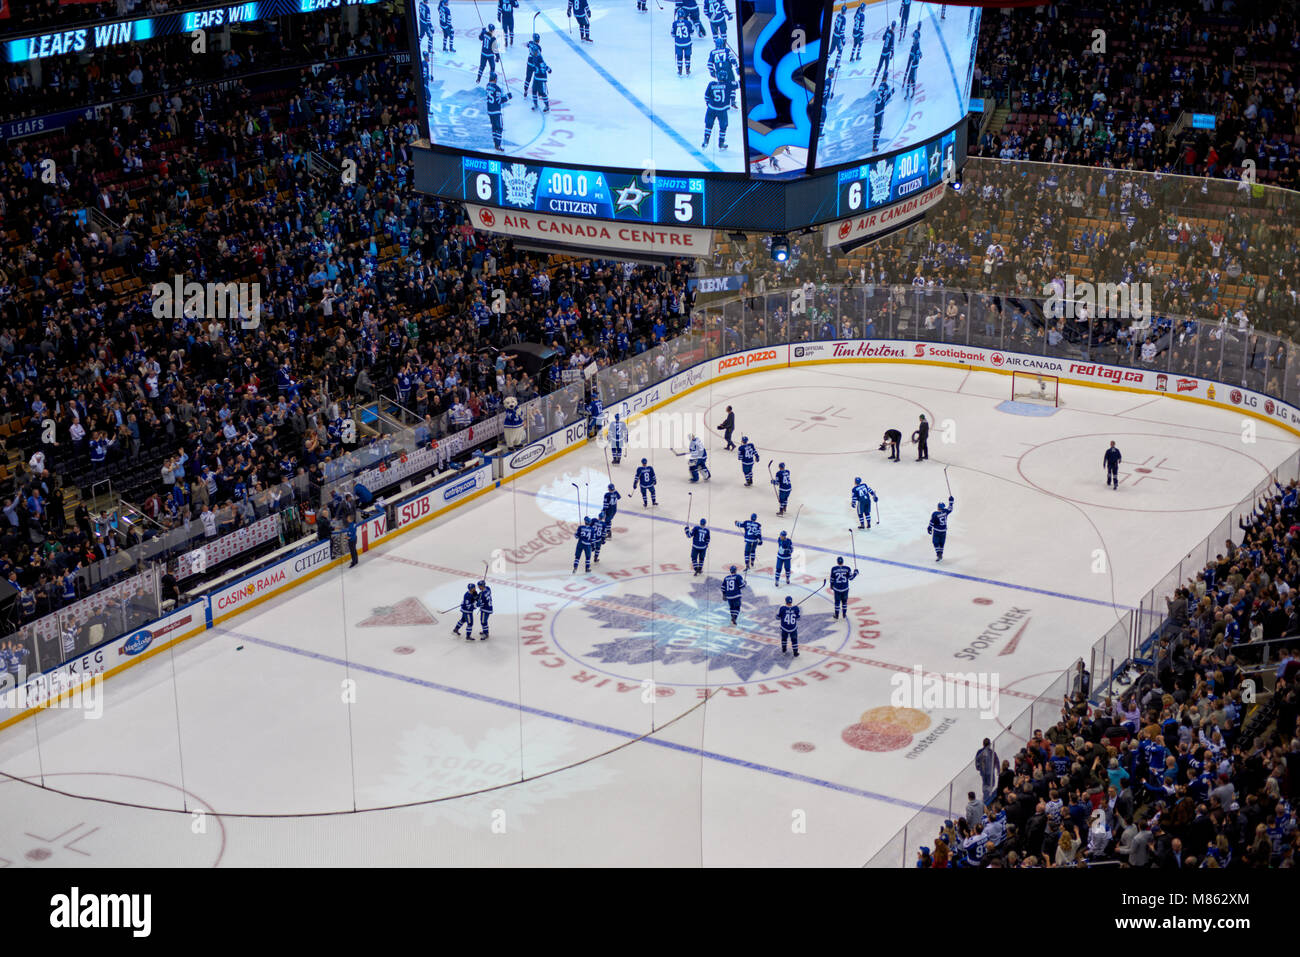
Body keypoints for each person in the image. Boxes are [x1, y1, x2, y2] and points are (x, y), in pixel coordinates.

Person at [927, 495, 954, 561]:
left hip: (937, 531)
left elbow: (932, 522)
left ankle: (938, 553)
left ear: (938, 507)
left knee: (935, 542)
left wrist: (929, 528)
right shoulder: (945, 512)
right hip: (944, 531)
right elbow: (950, 509)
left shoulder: (935, 514)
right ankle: (941, 554)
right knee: (942, 543)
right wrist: (951, 501)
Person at [975, 737, 999, 805]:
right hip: (989, 772)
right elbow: (996, 761)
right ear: (989, 744)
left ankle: (986, 795)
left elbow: (977, 761)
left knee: (985, 783)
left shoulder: (979, 752)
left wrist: (978, 768)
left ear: (983, 744)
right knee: (991, 783)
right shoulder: (991, 752)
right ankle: (986, 797)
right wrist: (998, 769)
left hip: (983, 772)